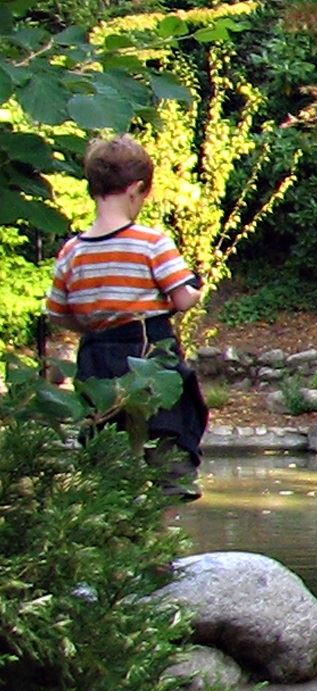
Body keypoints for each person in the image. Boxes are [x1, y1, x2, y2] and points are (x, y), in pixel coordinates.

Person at [42, 135, 209, 501]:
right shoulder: (152, 242)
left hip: (97, 362)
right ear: (136, 189)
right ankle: (161, 545)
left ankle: (116, 544)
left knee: (107, 456)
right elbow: (182, 299)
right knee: (168, 448)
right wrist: (198, 287)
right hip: (149, 356)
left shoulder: (72, 251)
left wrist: (94, 321)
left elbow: (58, 313)